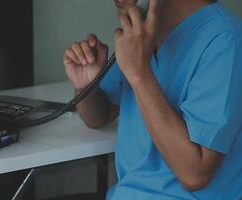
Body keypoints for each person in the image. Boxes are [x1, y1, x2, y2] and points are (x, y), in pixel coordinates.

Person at [63, 0, 242, 199]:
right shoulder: (144, 32)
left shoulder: (224, 41)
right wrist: (86, 85)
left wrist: (139, 71)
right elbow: (99, 116)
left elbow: (195, 174)